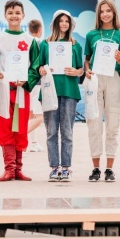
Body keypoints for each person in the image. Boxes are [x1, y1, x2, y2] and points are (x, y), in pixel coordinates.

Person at [0, 0, 40, 182]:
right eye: (10, 13)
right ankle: (9, 169)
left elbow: (35, 66)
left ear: (23, 15)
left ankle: (18, 169)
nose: (14, 16)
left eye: (17, 13)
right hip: (5, 90)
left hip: (21, 91)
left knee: (20, 128)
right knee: (5, 127)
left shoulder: (30, 41)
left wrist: (27, 80)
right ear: (5, 15)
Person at [84, 0, 120, 182]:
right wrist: (87, 70)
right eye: (102, 11)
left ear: (114, 13)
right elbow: (87, 60)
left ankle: (109, 168)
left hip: (114, 78)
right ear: (98, 14)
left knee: (113, 123)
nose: (105, 14)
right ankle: (95, 168)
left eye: (108, 10)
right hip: (95, 79)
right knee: (94, 122)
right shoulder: (92, 35)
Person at [38, 10, 84, 181]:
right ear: (55, 23)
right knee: (51, 131)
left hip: (69, 91)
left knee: (67, 131)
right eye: (61, 21)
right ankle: (54, 168)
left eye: (67, 21)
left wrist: (76, 72)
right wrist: (43, 70)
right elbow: (39, 67)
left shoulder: (75, 45)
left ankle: (65, 168)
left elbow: (81, 69)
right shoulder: (45, 45)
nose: (64, 24)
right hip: (50, 91)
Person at [27, 19, 45, 152]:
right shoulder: (40, 44)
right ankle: (19, 137)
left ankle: (32, 142)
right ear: (40, 30)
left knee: (31, 115)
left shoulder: (26, 43)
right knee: (39, 117)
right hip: (37, 84)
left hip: (27, 84)